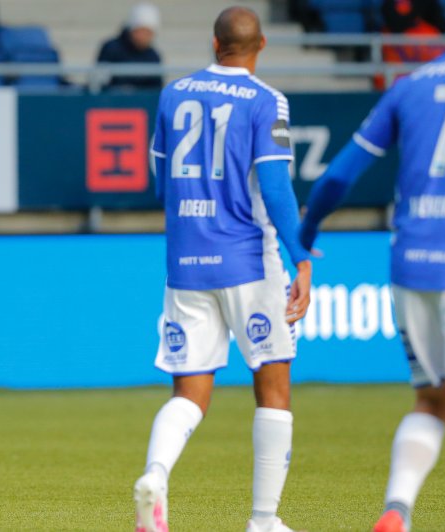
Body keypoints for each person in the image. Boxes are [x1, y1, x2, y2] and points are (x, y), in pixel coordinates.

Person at [133, 7, 312, 532]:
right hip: (250, 261)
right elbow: (276, 187)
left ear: (215, 44)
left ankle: (155, 476)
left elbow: (159, 177)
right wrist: (300, 256)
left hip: (185, 261)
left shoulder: (173, 92)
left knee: (189, 394)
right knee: (273, 387)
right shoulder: (266, 100)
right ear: (261, 45)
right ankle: (263, 519)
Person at [300, 52, 445, 532]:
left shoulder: (409, 87)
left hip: (412, 262)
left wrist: (306, 231)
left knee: (431, 401)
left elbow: (340, 174)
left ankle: (398, 510)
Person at [96, 2, 163, 90]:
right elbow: (99, 82)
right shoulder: (111, 48)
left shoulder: (153, 56)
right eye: (140, 31)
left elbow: (155, 88)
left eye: (148, 33)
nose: (143, 37)